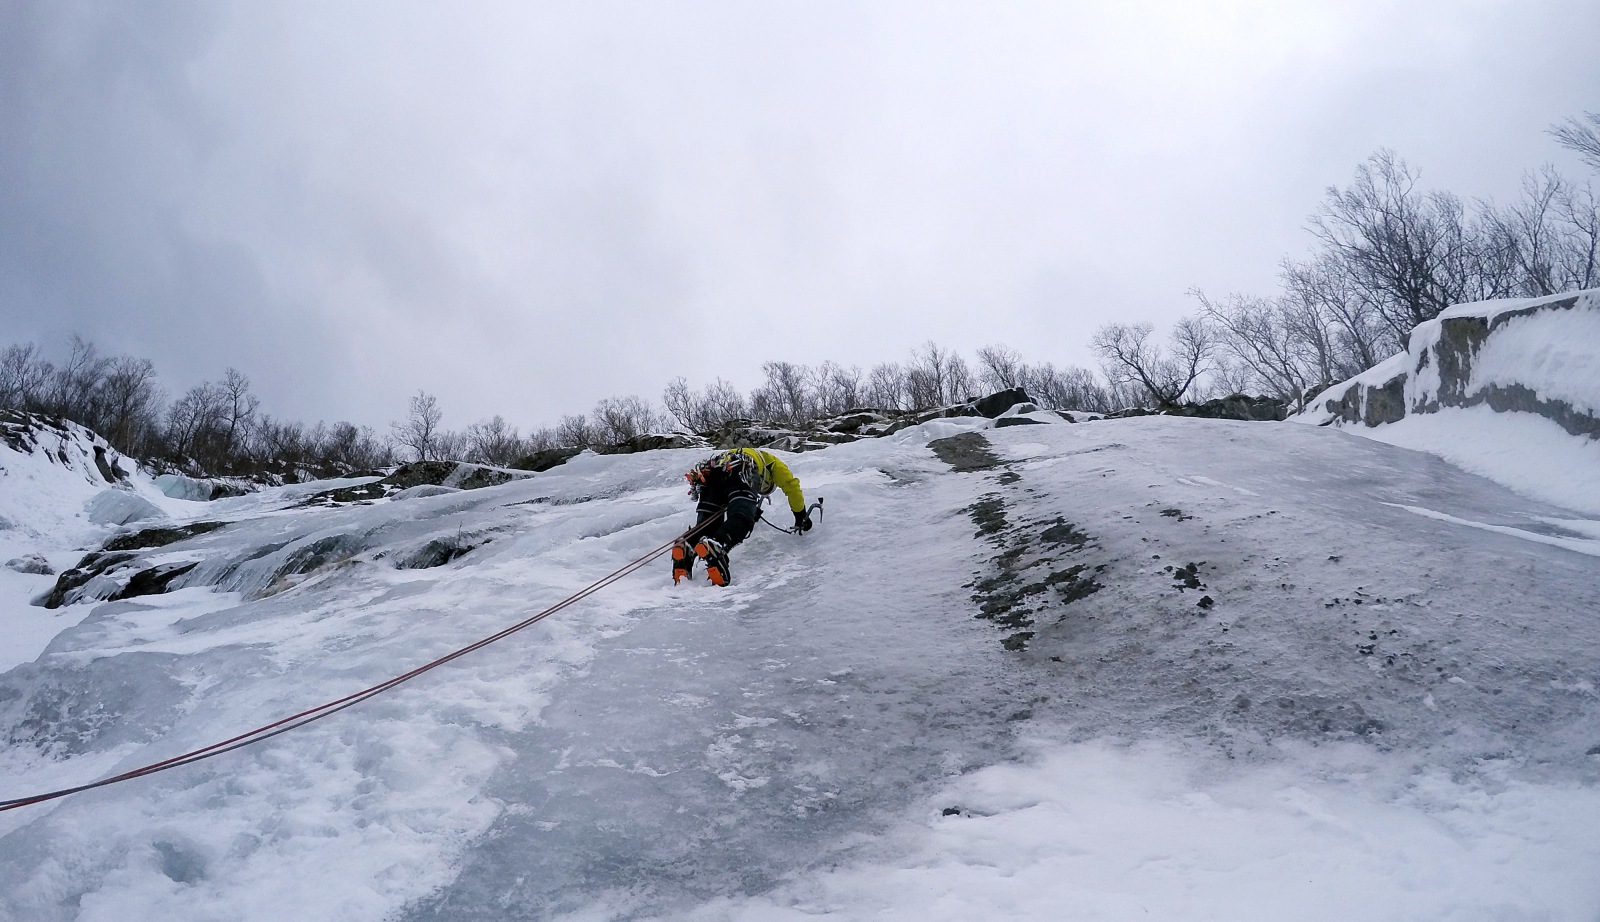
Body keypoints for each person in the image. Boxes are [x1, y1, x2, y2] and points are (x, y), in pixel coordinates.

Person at [674, 447, 812, 586]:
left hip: (712, 472)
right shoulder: (773, 464)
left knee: (709, 525)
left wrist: (751, 510)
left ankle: (688, 544)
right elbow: (791, 486)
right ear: (769, 480)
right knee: (742, 518)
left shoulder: (736, 451)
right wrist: (800, 515)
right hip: (742, 468)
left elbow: (730, 494)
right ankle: (718, 544)